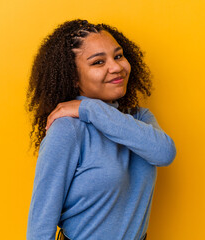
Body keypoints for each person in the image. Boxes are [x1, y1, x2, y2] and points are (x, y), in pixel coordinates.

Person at [25, 19, 177, 240]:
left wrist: (89, 108)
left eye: (118, 56)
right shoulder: (68, 130)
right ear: (73, 79)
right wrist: (90, 110)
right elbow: (41, 224)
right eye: (98, 62)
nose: (116, 67)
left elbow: (164, 153)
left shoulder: (140, 118)